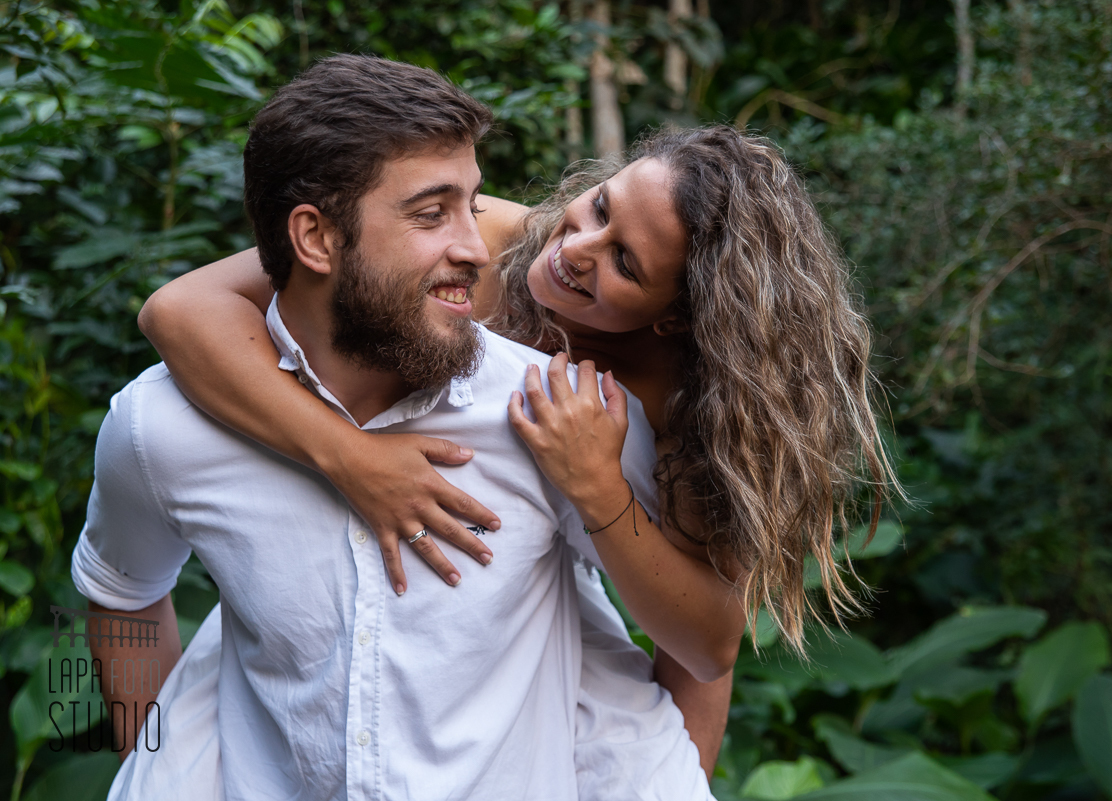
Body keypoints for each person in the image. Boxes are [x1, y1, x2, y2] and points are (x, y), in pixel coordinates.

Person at [72, 55, 717, 801]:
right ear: (315, 238)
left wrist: (677, 778)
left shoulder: (575, 419)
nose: (483, 251)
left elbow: (705, 640)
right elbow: (120, 591)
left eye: (471, 206)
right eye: (433, 212)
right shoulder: (163, 427)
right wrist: (149, 765)